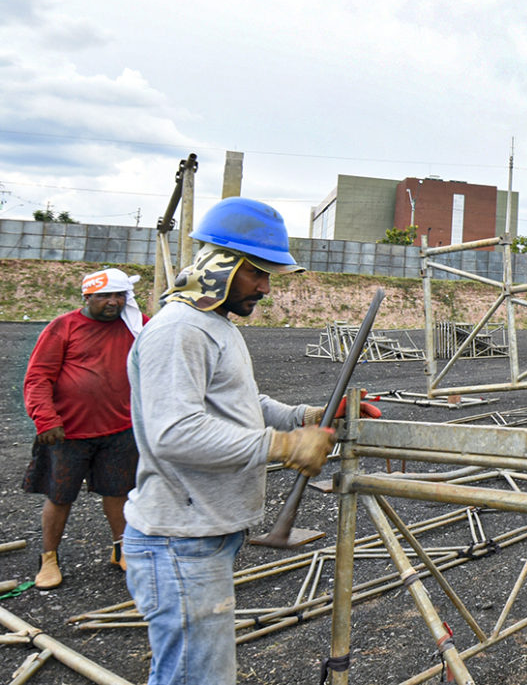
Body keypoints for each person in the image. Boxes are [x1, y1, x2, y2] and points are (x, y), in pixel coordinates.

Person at [121, 197, 379, 685]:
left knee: (191, 672)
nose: (264, 287)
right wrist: (283, 446)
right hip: (179, 542)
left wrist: (307, 416)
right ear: (219, 264)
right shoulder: (179, 331)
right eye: (256, 272)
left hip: (203, 535)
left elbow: (241, 405)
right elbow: (176, 433)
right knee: (196, 679)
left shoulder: (214, 326)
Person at [22, 267, 148, 589]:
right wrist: (46, 419)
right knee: (59, 496)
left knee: (119, 492)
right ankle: (49, 557)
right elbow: (38, 377)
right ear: (87, 296)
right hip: (68, 432)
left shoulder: (136, 326)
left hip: (120, 428)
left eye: (119, 295)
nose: (113, 302)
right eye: (104, 296)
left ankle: (121, 549)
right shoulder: (63, 327)